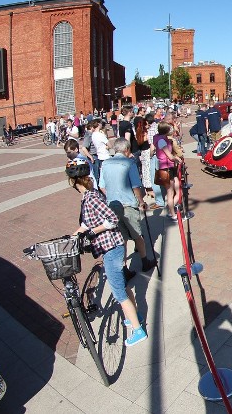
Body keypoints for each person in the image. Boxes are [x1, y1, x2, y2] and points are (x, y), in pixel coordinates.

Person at [66, 158, 147, 347]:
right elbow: (88, 221)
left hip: (111, 248)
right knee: (123, 285)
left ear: (73, 181)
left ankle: (138, 330)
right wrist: (75, 235)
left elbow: (111, 219)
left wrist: (93, 231)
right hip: (111, 247)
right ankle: (135, 315)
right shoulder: (89, 196)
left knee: (118, 291)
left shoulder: (91, 197)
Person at [99, 138, 158, 273]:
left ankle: (124, 268)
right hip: (128, 204)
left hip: (113, 205)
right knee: (137, 235)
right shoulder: (129, 163)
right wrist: (141, 202)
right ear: (126, 150)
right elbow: (136, 186)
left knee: (122, 238)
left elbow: (102, 186)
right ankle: (145, 262)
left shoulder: (106, 163)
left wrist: (112, 195)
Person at [154, 120, 182, 220]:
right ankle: (172, 213)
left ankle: (172, 208)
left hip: (169, 167)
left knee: (177, 189)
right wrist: (177, 158)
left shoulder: (163, 138)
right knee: (170, 192)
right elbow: (169, 156)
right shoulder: (161, 141)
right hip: (166, 168)